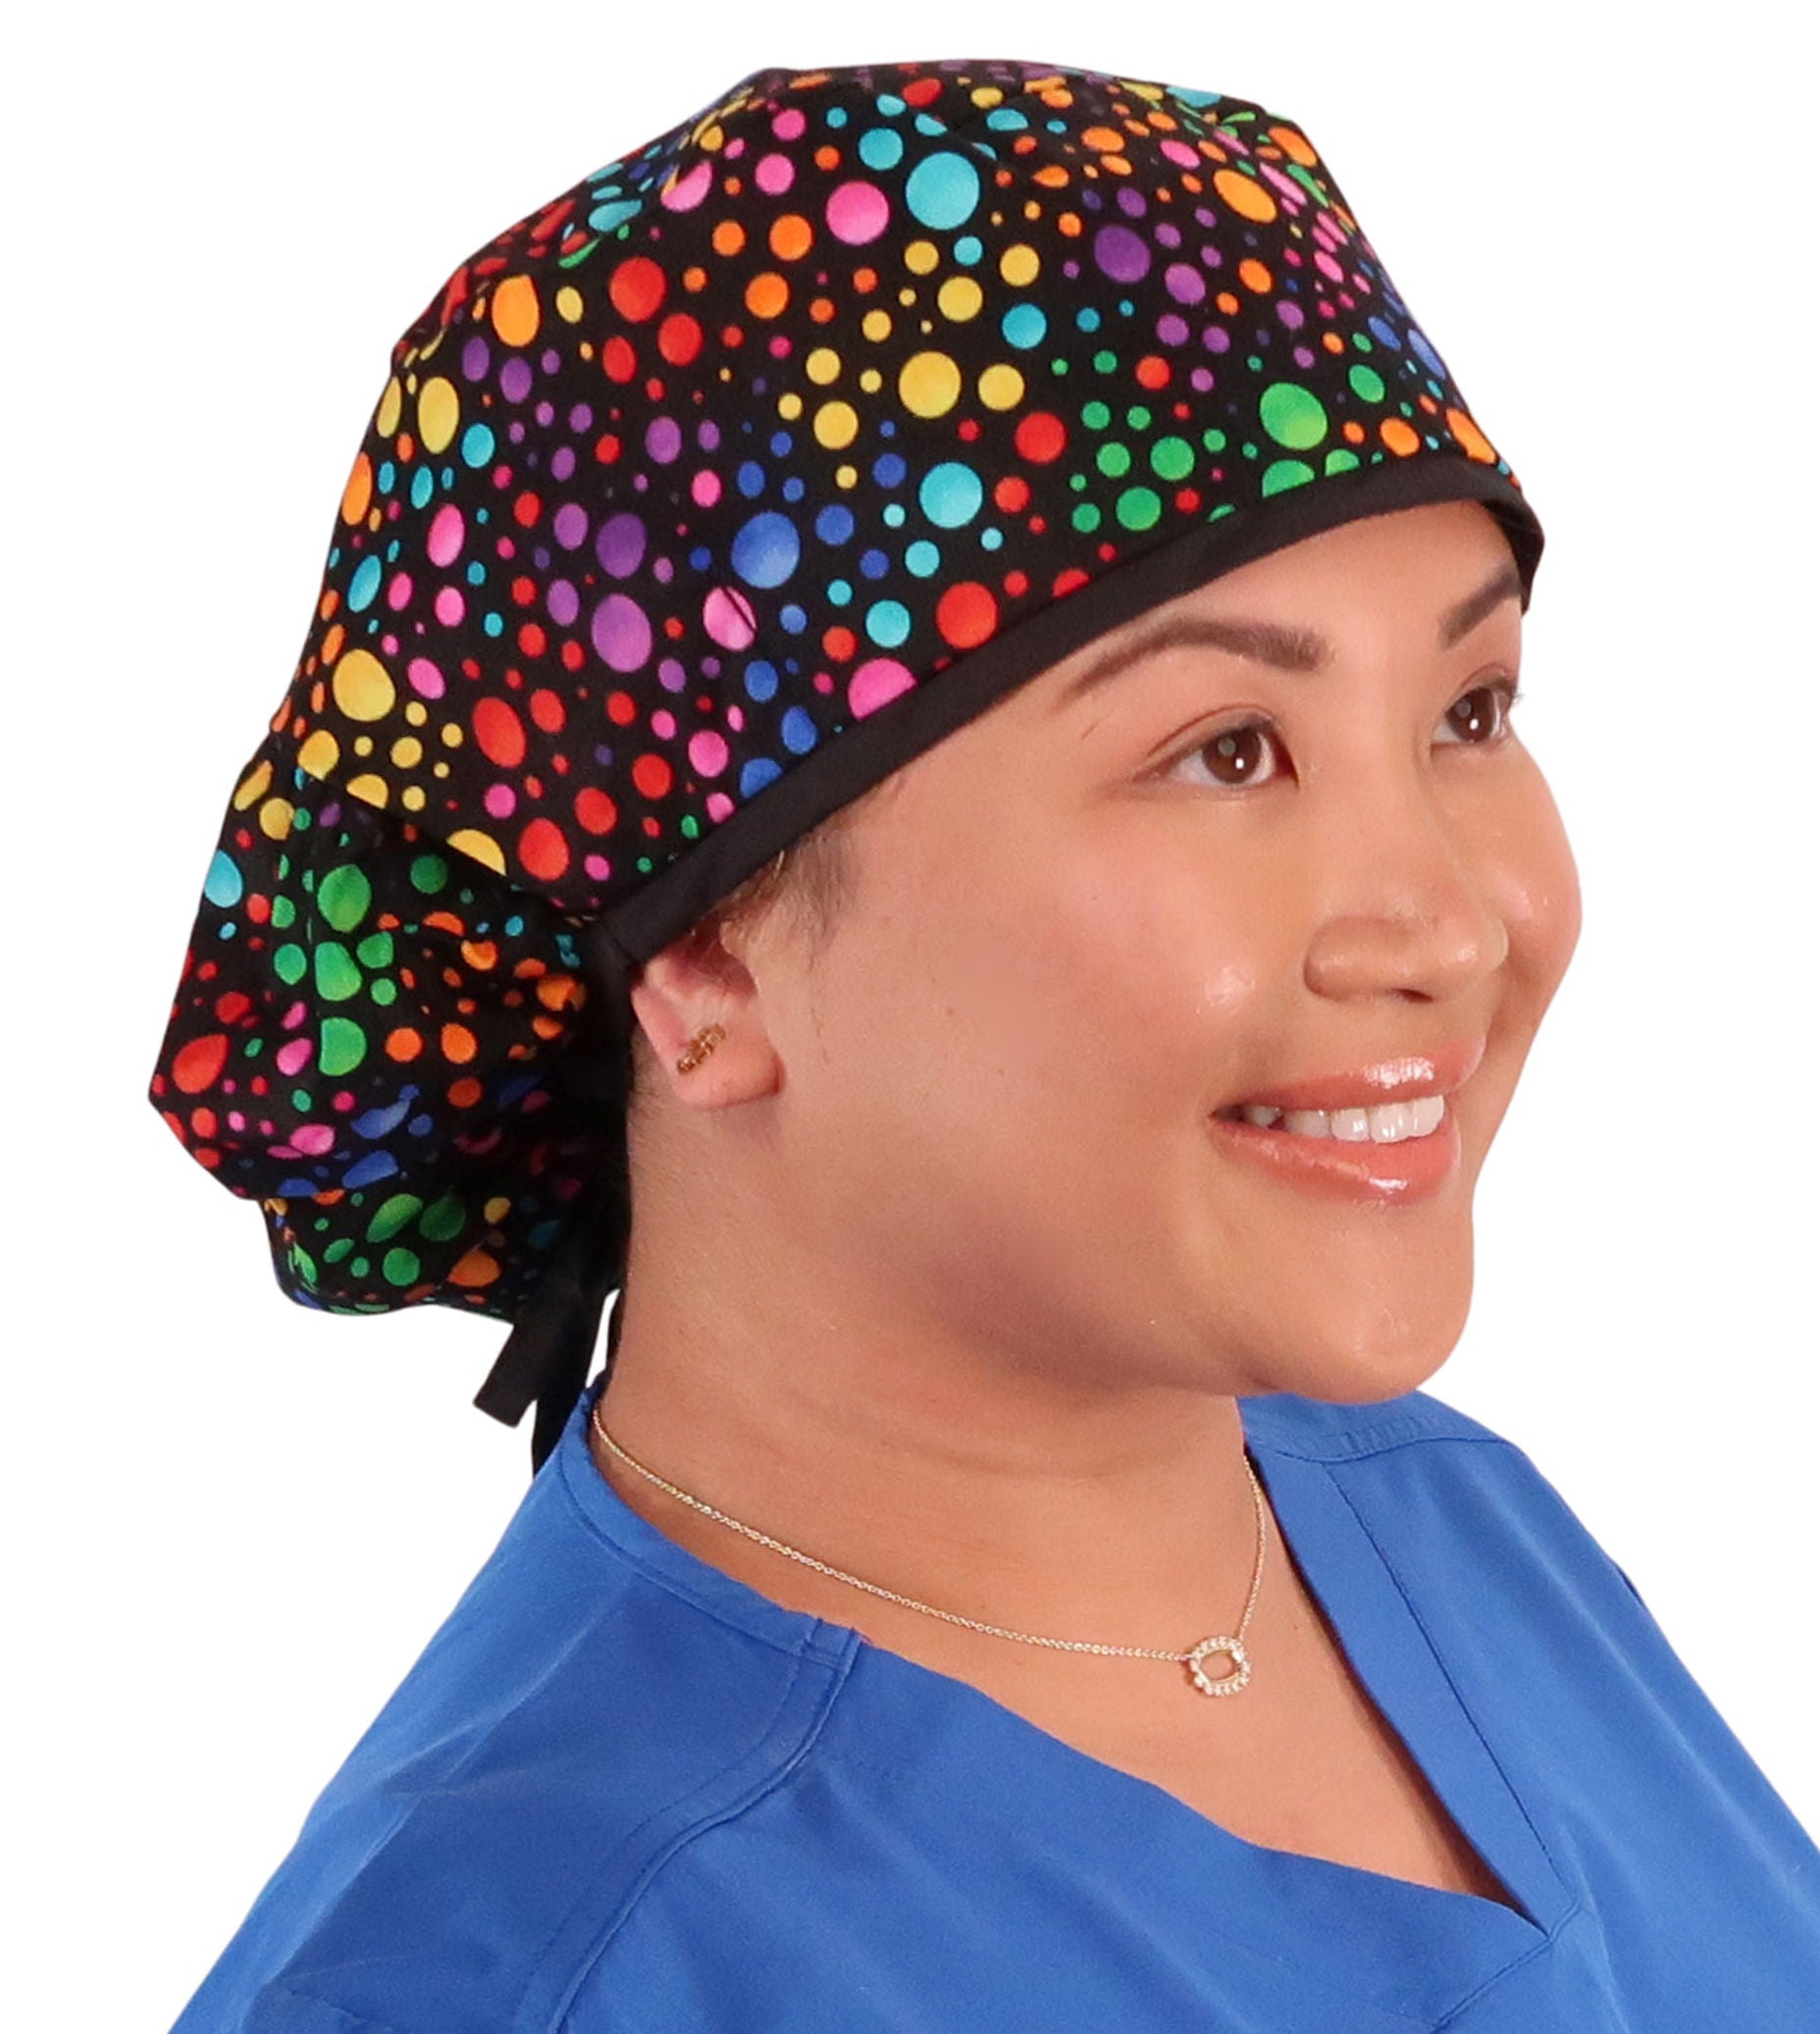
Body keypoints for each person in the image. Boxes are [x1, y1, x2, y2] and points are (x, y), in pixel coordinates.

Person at [147, 55, 1820, 2030]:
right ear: (700, 953)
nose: (1453, 921)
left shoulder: (1435, 1511)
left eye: (1467, 710)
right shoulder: (534, 1974)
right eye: (1226, 750)